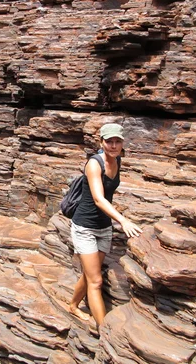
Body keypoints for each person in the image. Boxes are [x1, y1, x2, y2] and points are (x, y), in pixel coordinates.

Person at [67, 123, 142, 327]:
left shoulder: (117, 160)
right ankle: (103, 332)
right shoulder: (94, 164)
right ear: (101, 142)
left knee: (91, 273)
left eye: (117, 141)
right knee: (96, 281)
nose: (114, 145)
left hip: (103, 227)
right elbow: (99, 199)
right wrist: (123, 220)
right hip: (85, 227)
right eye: (109, 141)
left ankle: (73, 305)